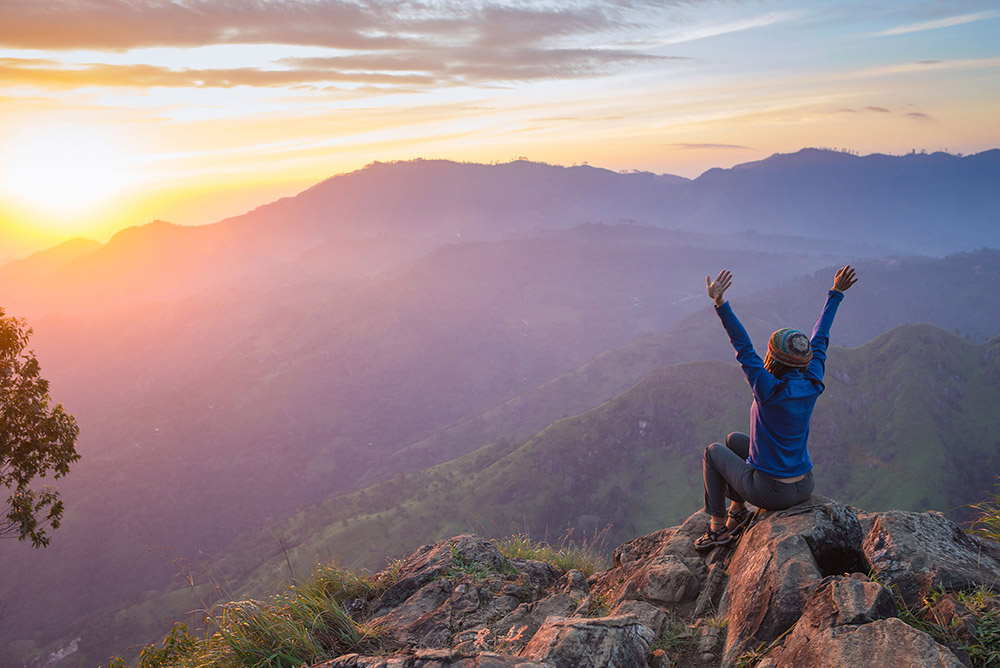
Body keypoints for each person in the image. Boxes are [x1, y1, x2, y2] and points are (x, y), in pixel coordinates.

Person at [695, 265, 858, 550]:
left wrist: (719, 302)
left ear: (772, 358)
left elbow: (742, 345)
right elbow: (820, 339)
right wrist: (836, 293)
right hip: (804, 484)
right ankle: (738, 510)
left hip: (771, 492)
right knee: (733, 441)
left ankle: (717, 529)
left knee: (713, 452)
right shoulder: (812, 381)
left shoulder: (767, 388)